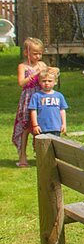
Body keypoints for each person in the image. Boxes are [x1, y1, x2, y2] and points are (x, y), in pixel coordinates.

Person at [12, 37, 46, 168]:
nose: (38, 56)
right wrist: (33, 74)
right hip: (28, 98)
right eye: (35, 53)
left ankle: (40, 154)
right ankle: (22, 156)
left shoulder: (42, 64)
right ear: (26, 53)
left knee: (39, 125)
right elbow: (21, 83)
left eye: (40, 53)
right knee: (26, 126)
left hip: (40, 97)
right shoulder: (23, 66)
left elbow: (48, 75)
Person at [28, 66, 68, 138]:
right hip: (41, 127)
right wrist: (35, 125)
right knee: (42, 147)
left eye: (49, 81)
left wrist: (64, 124)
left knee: (55, 147)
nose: (46, 83)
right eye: (44, 81)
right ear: (39, 82)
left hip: (55, 127)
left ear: (55, 82)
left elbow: (62, 110)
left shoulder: (59, 96)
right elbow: (33, 111)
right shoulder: (36, 96)